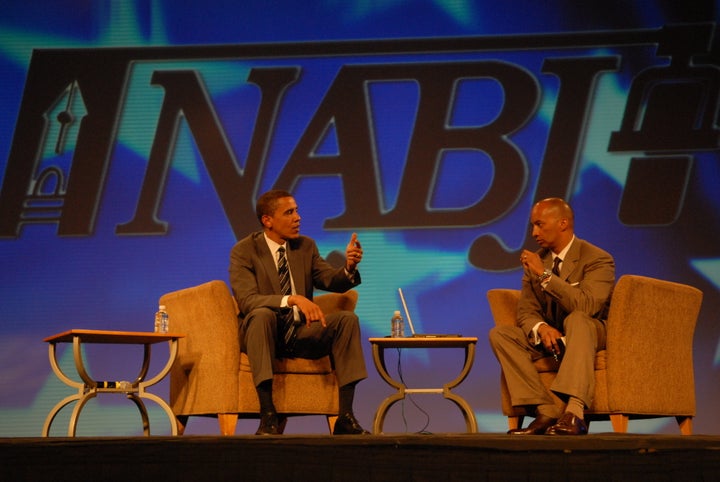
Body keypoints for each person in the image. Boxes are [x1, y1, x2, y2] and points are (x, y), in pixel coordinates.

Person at [229, 189, 369, 435]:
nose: (298, 218)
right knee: (261, 315)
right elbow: (248, 300)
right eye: (289, 213)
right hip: (265, 334)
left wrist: (348, 267)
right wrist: (292, 299)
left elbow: (329, 279)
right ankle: (268, 415)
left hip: (301, 333)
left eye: (297, 211)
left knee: (347, 320)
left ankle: (345, 416)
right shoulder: (245, 251)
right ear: (267, 220)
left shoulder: (305, 247)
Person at [489, 198, 615, 435]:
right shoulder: (539, 260)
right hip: (553, 339)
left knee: (577, 319)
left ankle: (574, 413)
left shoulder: (597, 258)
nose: (534, 232)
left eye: (540, 225)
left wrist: (544, 274)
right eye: (532, 226)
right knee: (502, 334)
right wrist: (540, 327)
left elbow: (587, 306)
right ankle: (545, 410)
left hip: (589, 331)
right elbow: (526, 311)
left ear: (563, 223)